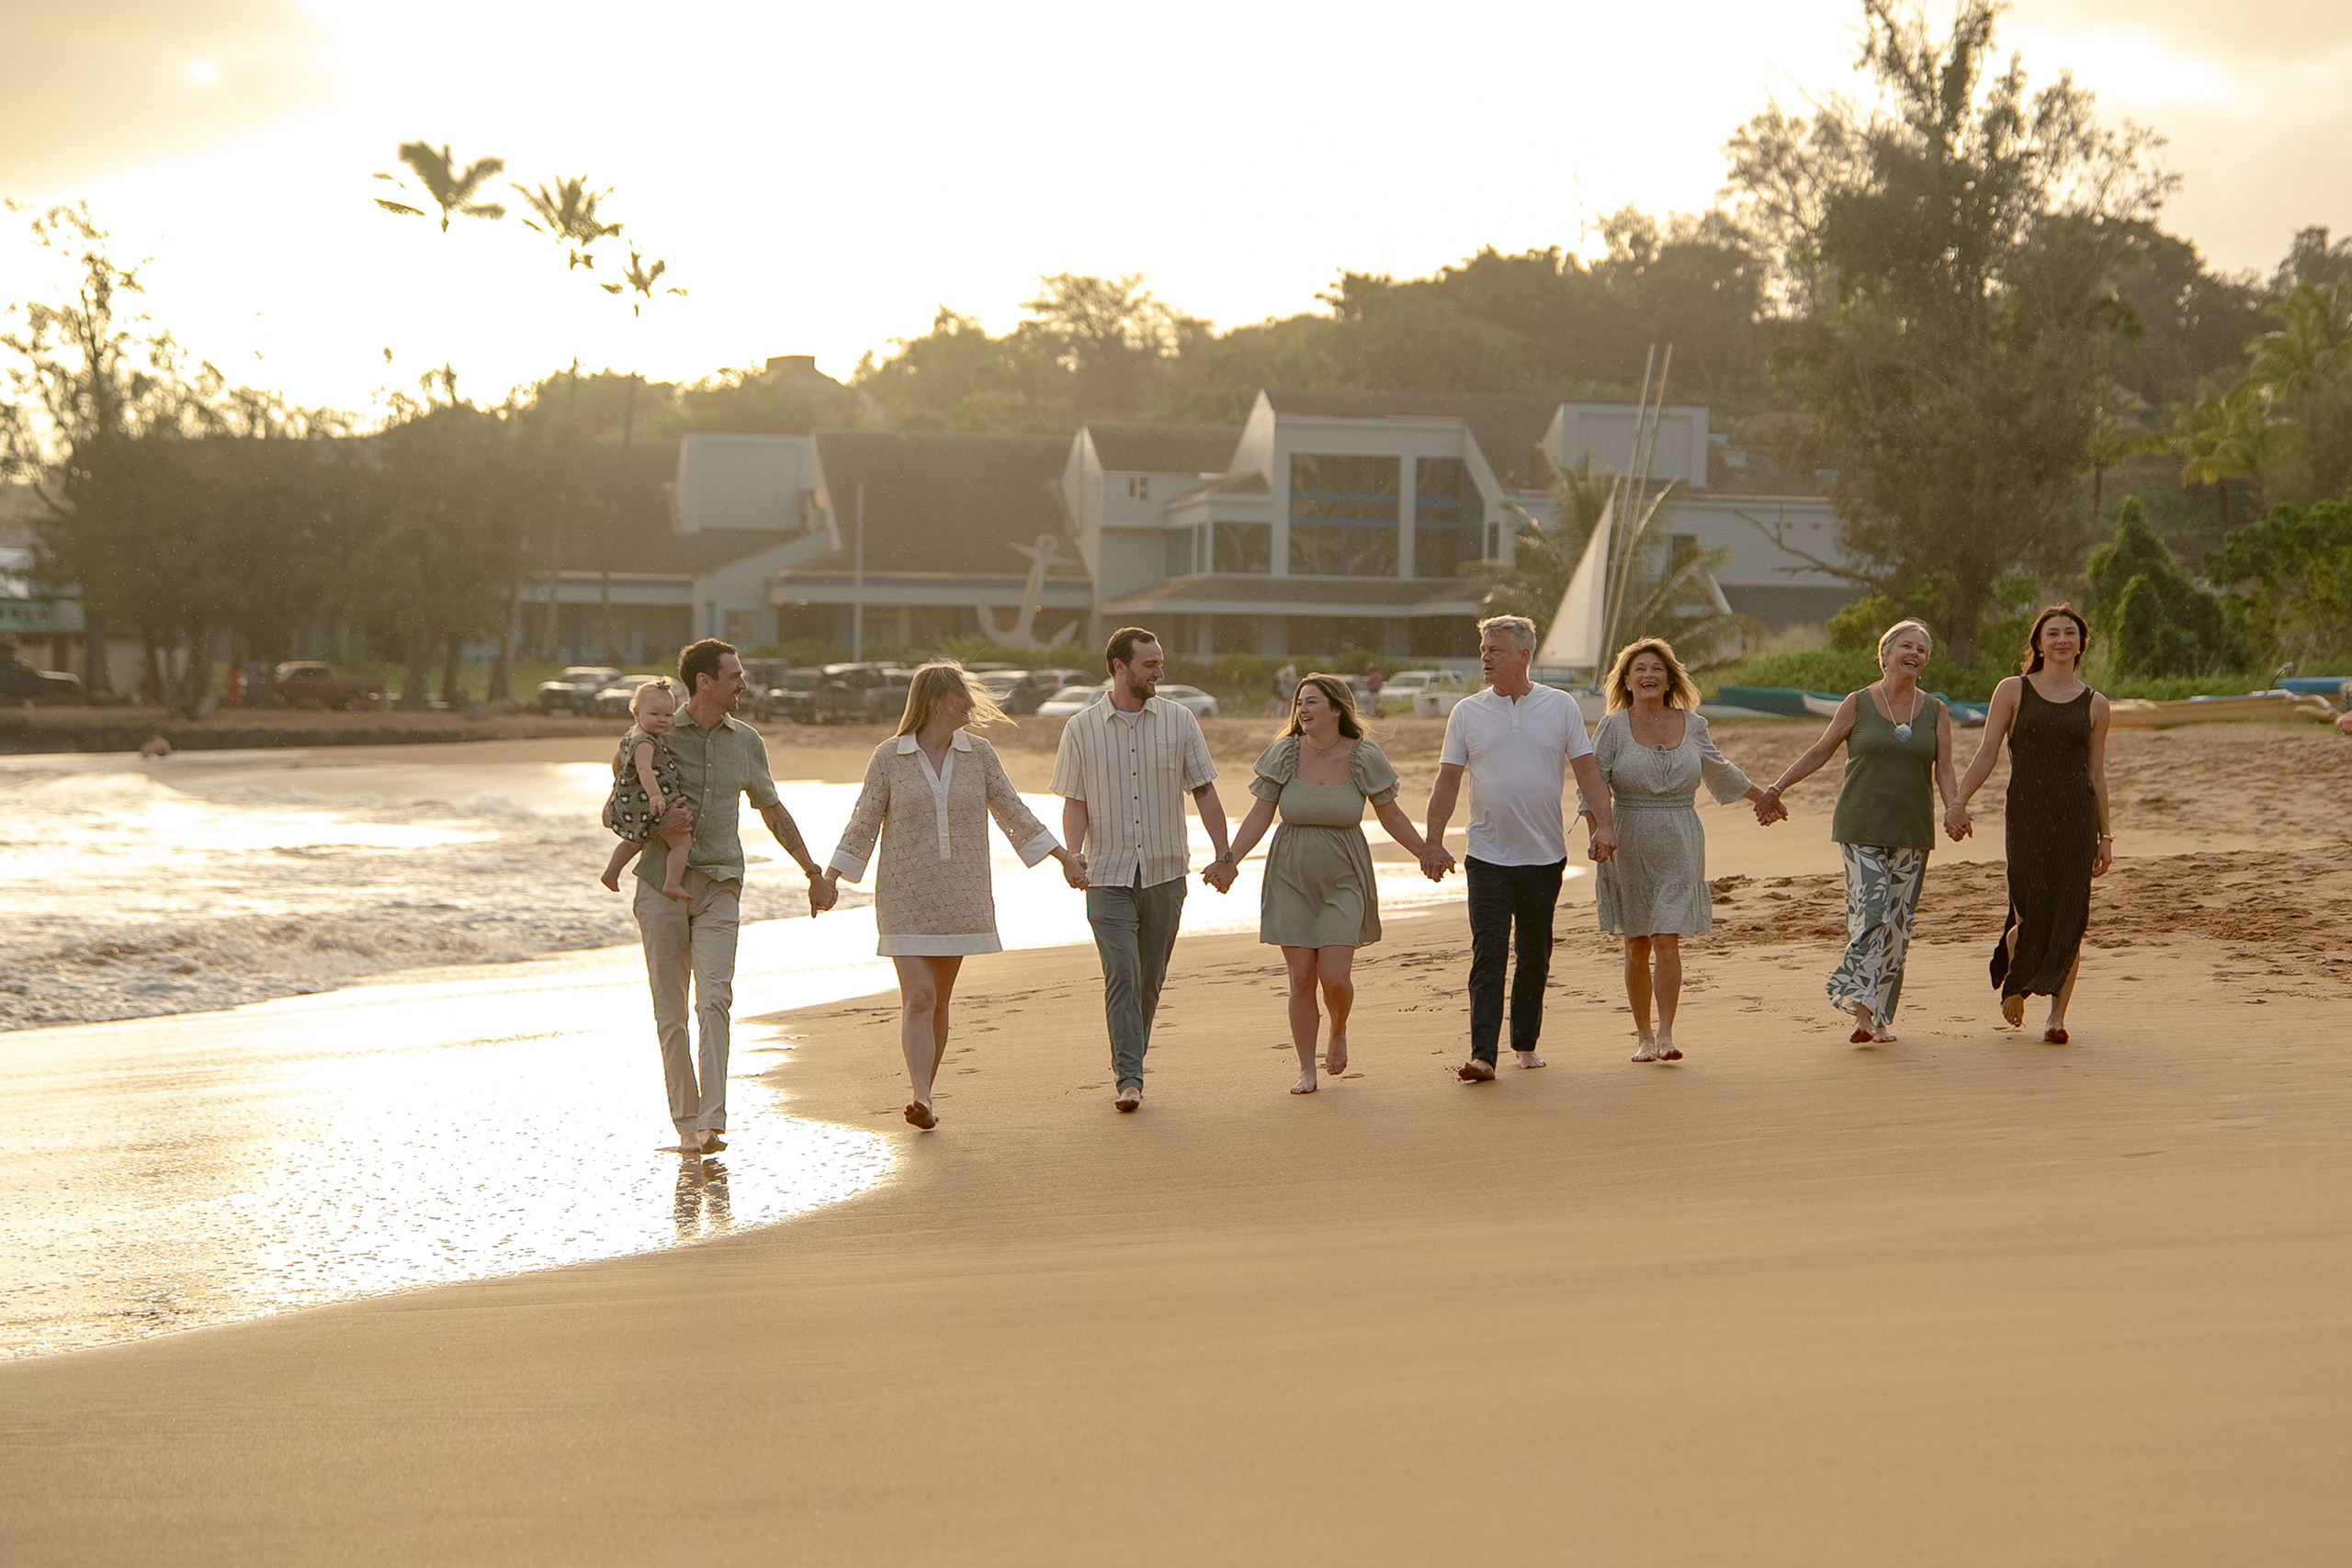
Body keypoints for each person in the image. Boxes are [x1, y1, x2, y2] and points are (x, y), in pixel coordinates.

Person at [821, 662, 1088, 1130]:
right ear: (937, 701)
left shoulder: (979, 754)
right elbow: (863, 821)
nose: (971, 703)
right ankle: (920, 1096)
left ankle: (926, 1095)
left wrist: (1064, 857)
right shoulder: (889, 756)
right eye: (962, 694)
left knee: (939, 1002)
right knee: (919, 998)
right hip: (904, 893)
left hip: (961, 893)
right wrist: (831, 877)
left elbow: (1013, 810)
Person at [635, 638, 833, 1158]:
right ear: (706, 681)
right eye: (736, 676)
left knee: (715, 999)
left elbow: (773, 809)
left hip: (721, 885)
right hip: (660, 885)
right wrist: (661, 822)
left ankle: (712, 1120)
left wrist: (811, 870)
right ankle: (685, 1124)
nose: (744, 685)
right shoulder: (655, 734)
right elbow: (617, 811)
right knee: (670, 1012)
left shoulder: (746, 741)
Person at [1421, 615, 1618, 1083]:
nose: (1486, 657)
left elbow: (1588, 770)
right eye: (1484, 649)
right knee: (1488, 951)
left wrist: (1604, 825)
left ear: (1523, 655)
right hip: (1486, 853)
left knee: (1534, 952)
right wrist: (1432, 841)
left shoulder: (1561, 706)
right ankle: (1483, 1054)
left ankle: (1525, 1043)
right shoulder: (1467, 712)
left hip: (1544, 854)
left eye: (1496, 649)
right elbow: (1448, 780)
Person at [1219, 674, 1434, 1094]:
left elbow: (1390, 815)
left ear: (1336, 709)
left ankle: (1338, 1027)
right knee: (1301, 977)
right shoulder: (1283, 753)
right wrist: (1229, 860)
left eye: (1312, 701)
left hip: (1344, 878)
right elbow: (1260, 814)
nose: (1302, 708)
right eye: (1299, 701)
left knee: (1334, 977)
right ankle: (1306, 1068)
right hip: (1290, 877)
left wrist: (1424, 851)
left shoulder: (1362, 756)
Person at [1052, 626, 1235, 1111]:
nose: (1160, 672)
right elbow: (1075, 801)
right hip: (1106, 875)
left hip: (1165, 872)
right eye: (1150, 664)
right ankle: (1129, 1078)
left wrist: (1225, 854)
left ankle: (1131, 1059)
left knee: (1150, 978)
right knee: (1123, 974)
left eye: (1159, 662)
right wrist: (1074, 854)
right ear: (1120, 667)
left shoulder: (1179, 721)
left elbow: (1205, 791)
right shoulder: (1081, 729)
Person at [1756, 619, 1962, 1044]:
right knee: (1871, 915)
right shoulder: (1858, 702)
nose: (1915, 654)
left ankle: (1874, 1018)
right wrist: (1776, 788)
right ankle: (1848, 990)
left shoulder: (1936, 710)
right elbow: (1821, 750)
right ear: (1884, 654)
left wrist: (1954, 809)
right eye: (1906, 646)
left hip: (1913, 829)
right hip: (1860, 824)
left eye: (1922, 650)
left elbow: (1944, 767)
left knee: (1897, 926)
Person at [1579, 638, 1781, 1064]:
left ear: (1670, 679)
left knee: (1666, 938)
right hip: (1626, 836)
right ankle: (1644, 1037)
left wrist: (1763, 796)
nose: (1649, 676)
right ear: (1627, 681)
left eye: (1657, 669)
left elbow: (1720, 770)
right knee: (1637, 943)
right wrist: (1601, 833)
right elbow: (1594, 787)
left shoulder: (1694, 724)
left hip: (1681, 835)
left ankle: (1668, 1033)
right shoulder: (1614, 727)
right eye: (1640, 670)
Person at [1946, 604, 2113, 1043]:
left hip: (2077, 818)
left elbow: (2096, 775)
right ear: (2039, 642)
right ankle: (2016, 979)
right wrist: (1959, 801)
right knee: (2029, 913)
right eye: (2053, 633)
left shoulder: (2096, 704)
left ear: (2081, 644)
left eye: (2070, 634)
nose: (2062, 640)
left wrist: (2106, 836)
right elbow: (1987, 753)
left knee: (2072, 916)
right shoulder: (2013, 690)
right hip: (2027, 815)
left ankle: (2057, 1018)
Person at [599, 679, 696, 898]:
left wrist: (624, 783)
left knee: (635, 840)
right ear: (636, 712)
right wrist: (654, 795)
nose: (662, 720)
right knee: (681, 842)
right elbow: (644, 768)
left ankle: (611, 872)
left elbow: (618, 763)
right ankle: (672, 882)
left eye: (668, 715)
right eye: (655, 714)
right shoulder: (645, 742)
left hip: (636, 799)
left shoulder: (630, 735)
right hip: (654, 800)